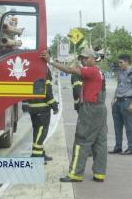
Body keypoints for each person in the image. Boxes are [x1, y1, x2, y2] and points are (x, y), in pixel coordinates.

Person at [41, 47, 107, 183]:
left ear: (94, 59)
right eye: (82, 58)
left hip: (90, 109)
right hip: (100, 108)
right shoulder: (99, 72)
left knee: (81, 140)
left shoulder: (91, 71)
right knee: (100, 142)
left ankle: (75, 174)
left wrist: (50, 61)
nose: (83, 60)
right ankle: (99, 174)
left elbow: (70, 70)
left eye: (86, 58)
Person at [109, 54, 132, 155]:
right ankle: (118, 147)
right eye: (119, 62)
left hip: (127, 101)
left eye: (121, 62)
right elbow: (118, 86)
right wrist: (113, 99)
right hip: (118, 101)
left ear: (127, 62)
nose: (119, 64)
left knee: (129, 126)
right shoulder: (120, 72)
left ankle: (131, 148)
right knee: (117, 126)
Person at [28, 68, 59, 163]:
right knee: (41, 133)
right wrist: (54, 106)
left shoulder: (33, 72)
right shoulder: (45, 75)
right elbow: (48, 94)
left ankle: (41, 154)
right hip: (42, 109)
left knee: (37, 133)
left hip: (33, 108)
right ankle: (36, 157)